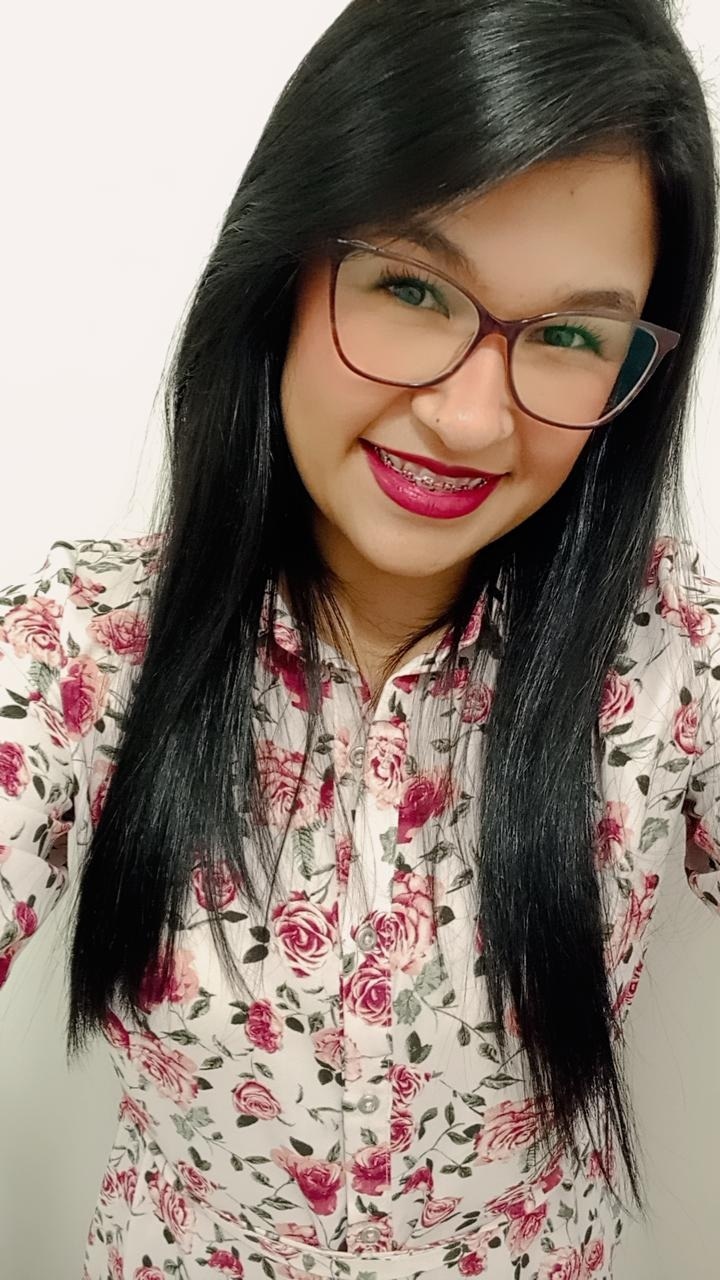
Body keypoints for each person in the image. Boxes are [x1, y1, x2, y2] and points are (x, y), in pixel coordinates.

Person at [1, 1, 719, 1277]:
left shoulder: (678, 667)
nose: (470, 417)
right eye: (411, 287)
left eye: (569, 335)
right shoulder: (82, 654)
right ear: (284, 271)